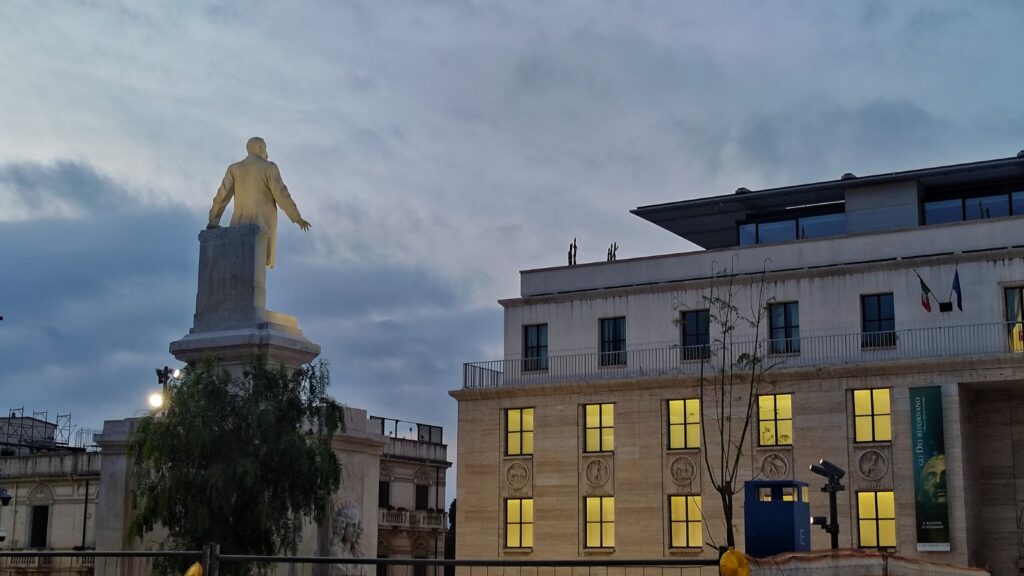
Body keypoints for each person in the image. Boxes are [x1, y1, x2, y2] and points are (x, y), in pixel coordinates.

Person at [208, 137, 311, 268]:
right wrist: (297, 218)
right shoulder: (269, 167)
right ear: (260, 148)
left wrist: (214, 219)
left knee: (239, 264)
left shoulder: (234, 169)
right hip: (262, 224)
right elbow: (282, 195)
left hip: (239, 223)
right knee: (257, 266)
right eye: (265, 149)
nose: (267, 154)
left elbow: (222, 195)